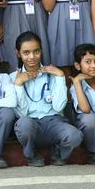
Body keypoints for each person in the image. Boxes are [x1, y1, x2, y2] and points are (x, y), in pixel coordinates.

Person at [11, 32, 81, 167]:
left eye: (36, 51)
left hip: (53, 122)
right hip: (30, 124)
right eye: (26, 53)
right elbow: (21, 114)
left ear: (41, 51)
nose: (32, 57)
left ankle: (58, 150)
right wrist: (19, 84)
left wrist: (60, 76)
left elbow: (59, 107)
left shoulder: (52, 74)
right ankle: (32, 153)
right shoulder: (13, 78)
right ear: (18, 53)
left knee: (75, 136)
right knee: (24, 124)